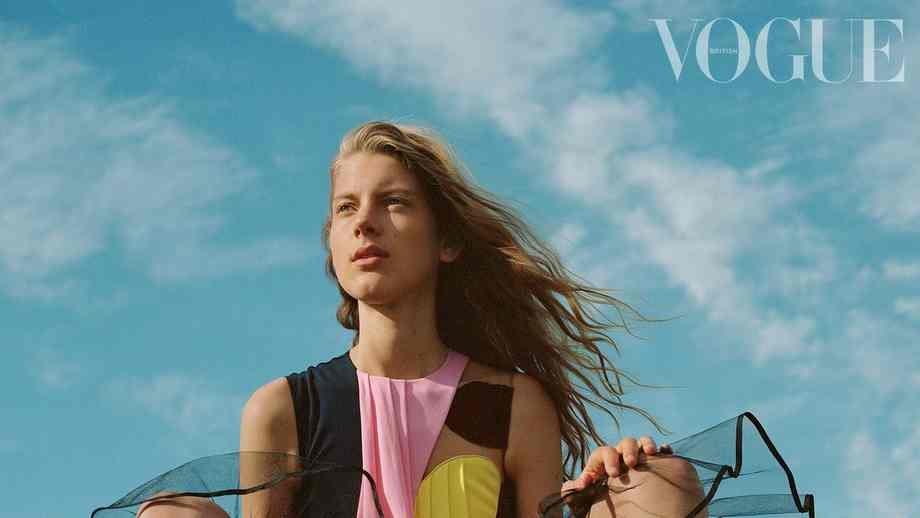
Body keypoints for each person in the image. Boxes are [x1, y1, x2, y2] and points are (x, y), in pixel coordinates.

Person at [135, 120, 706, 518]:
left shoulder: (516, 404)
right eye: (346, 208)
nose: (364, 223)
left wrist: (595, 492)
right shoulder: (282, 409)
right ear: (332, 242)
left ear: (447, 242)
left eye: (394, 202)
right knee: (169, 513)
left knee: (656, 480)